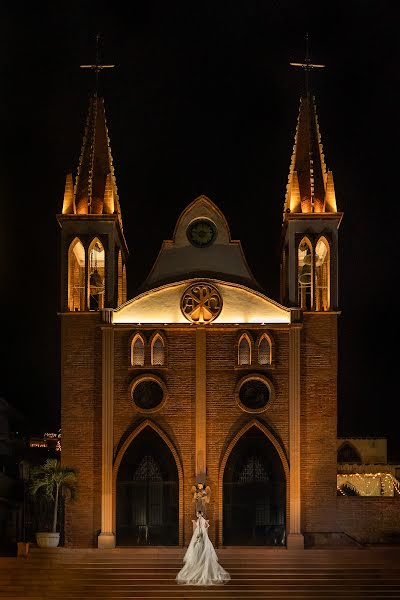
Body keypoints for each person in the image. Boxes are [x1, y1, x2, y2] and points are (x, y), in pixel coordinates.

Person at [176, 510, 231, 586]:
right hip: (200, 532)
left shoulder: (201, 519)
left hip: (200, 533)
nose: (197, 514)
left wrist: (202, 531)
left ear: (200, 514)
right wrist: (202, 529)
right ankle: (200, 557)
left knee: (201, 545)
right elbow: (208, 525)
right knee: (199, 546)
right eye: (197, 514)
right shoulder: (200, 519)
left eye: (198, 513)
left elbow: (207, 525)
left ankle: (201, 559)